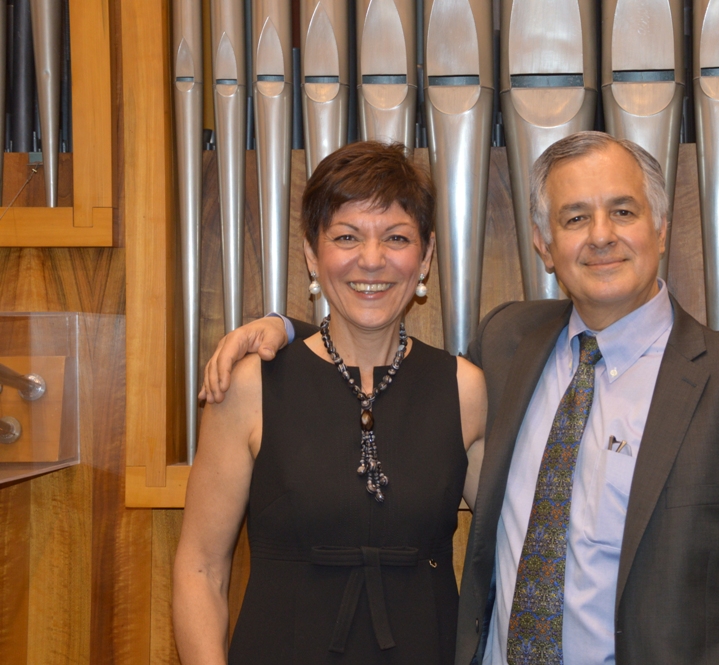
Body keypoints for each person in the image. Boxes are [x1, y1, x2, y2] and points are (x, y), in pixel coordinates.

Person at [201, 132, 719, 665]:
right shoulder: (508, 345)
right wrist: (287, 331)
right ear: (543, 243)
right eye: (575, 218)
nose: (601, 236)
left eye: (623, 211)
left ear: (661, 227)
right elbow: (365, 369)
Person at [173, 141, 487, 665]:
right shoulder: (250, 387)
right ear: (311, 254)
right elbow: (200, 568)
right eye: (346, 237)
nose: (372, 259)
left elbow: (517, 541)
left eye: (396, 238)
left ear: (426, 256)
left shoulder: (465, 389)